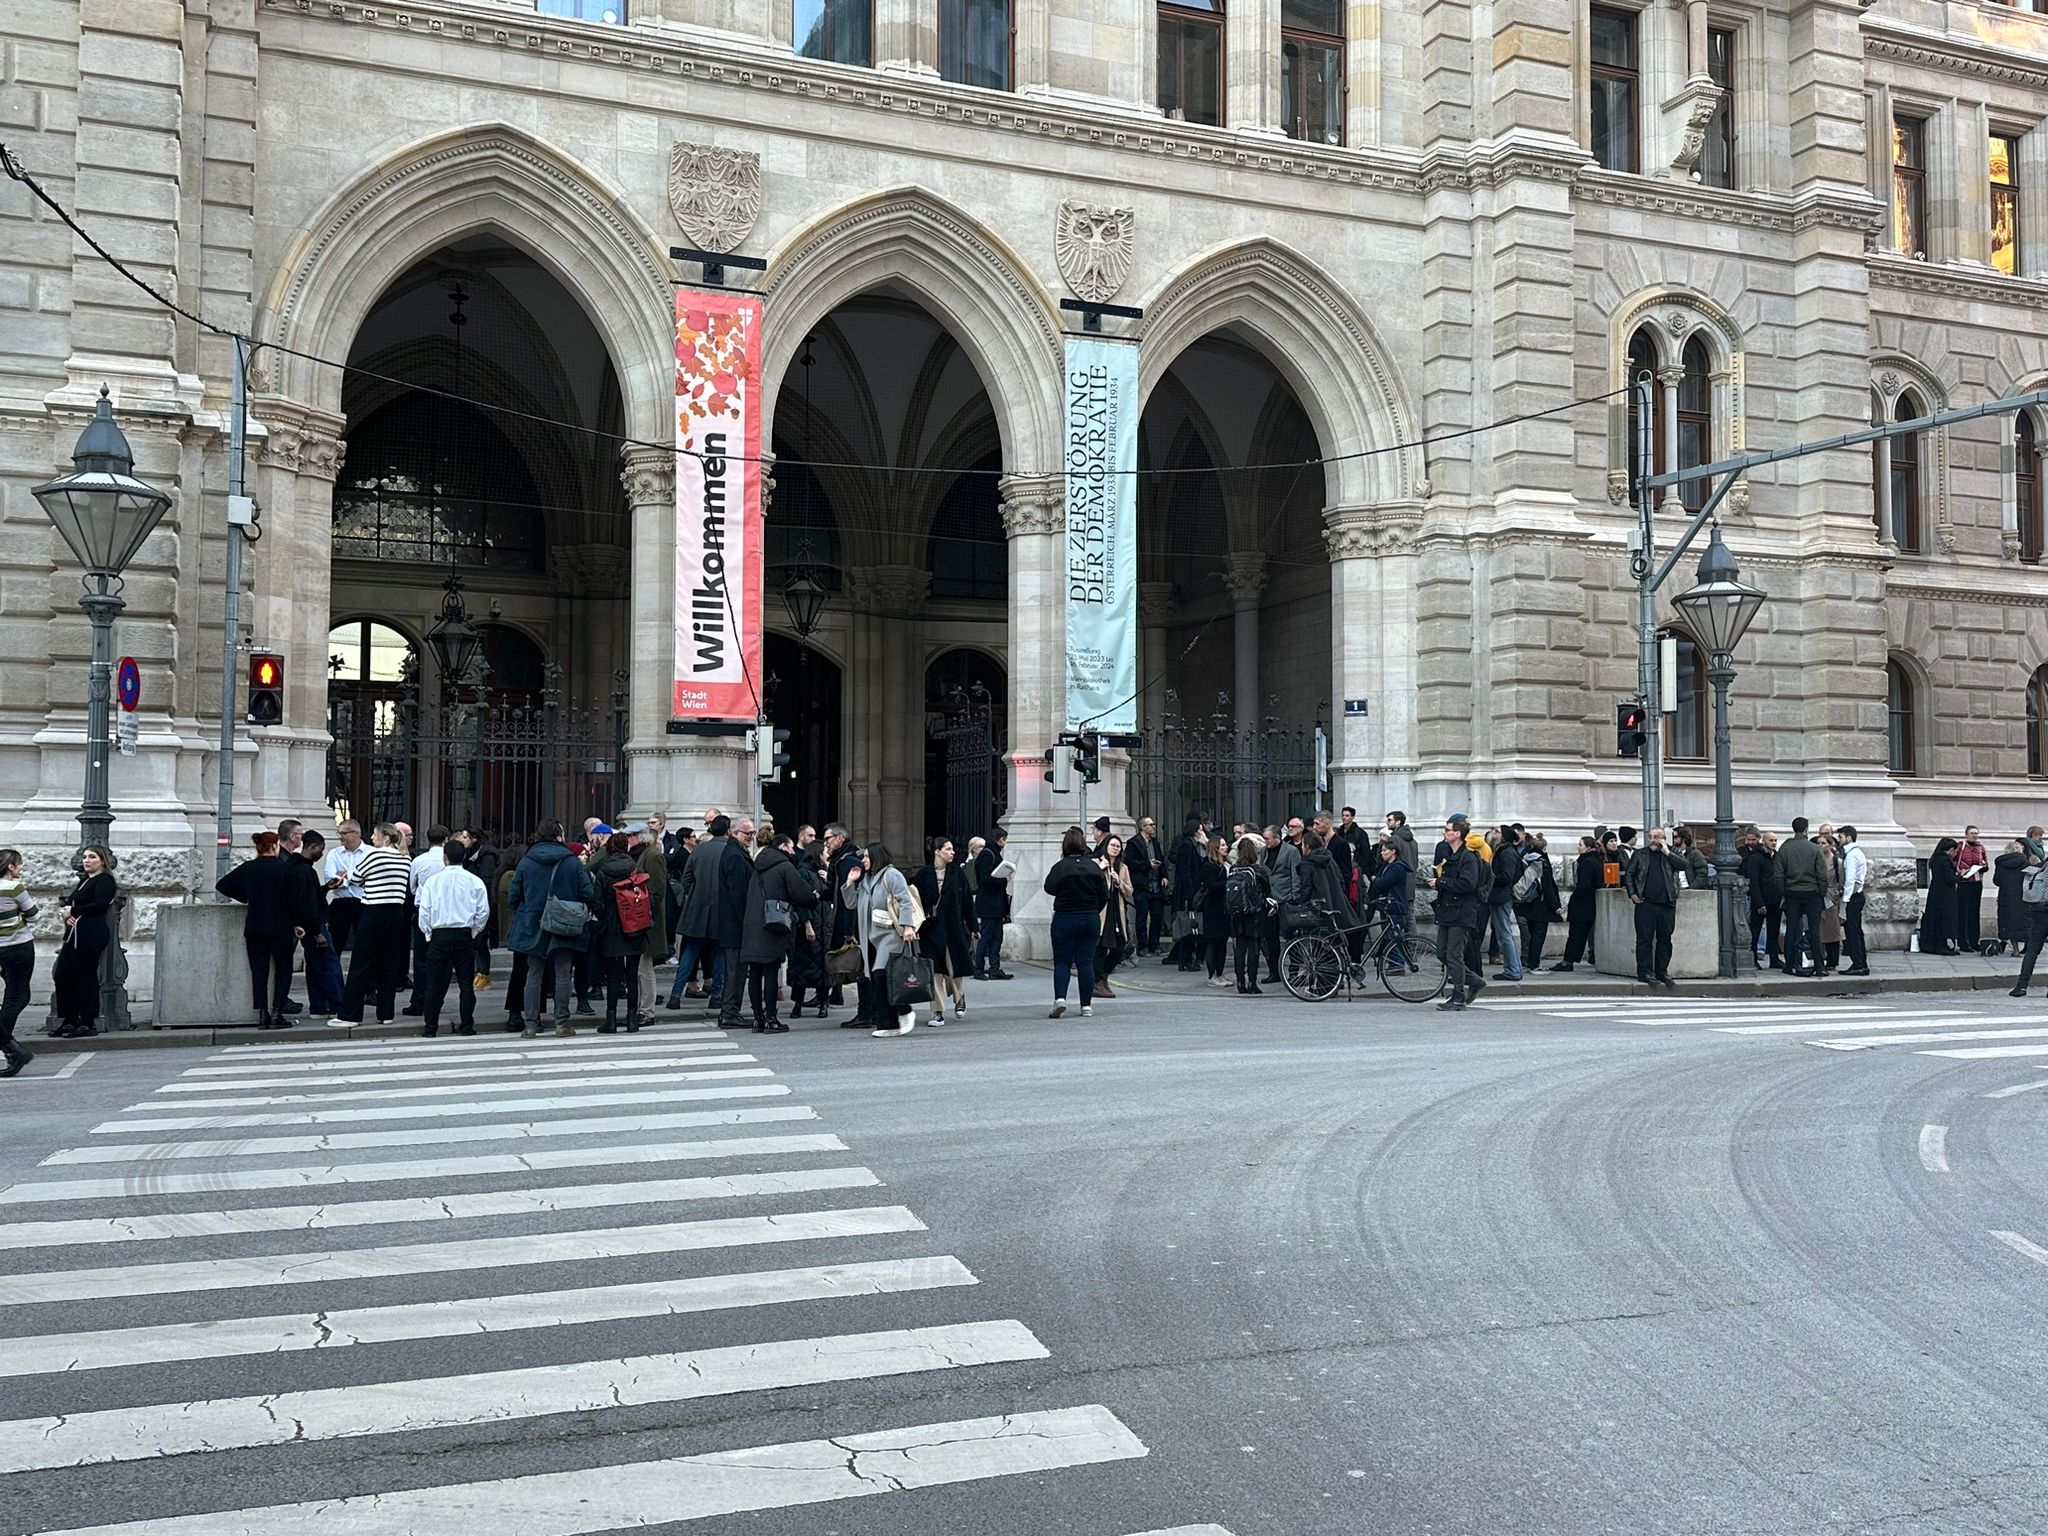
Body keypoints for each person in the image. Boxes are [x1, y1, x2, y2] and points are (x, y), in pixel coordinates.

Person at [503, 821, 596, 1039]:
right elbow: (587, 892)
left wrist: (527, 911)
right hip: (563, 922)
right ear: (558, 836)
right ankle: (561, 1022)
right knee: (563, 972)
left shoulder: (527, 861)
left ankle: (531, 1024)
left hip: (532, 922)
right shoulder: (571, 862)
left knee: (533, 973)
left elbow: (513, 896)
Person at [216, 830, 317, 1030]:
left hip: (254, 927)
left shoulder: (248, 868)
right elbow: (294, 900)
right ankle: (278, 1012)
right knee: (283, 970)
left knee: (259, 971)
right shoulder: (285, 869)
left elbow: (222, 885)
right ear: (274, 846)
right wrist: (298, 923)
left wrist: (246, 896)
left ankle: (263, 1013)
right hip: (280, 927)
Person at [738, 830, 822, 1034]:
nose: (793, 851)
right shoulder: (784, 866)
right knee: (770, 972)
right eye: (791, 847)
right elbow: (800, 892)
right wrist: (815, 895)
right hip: (773, 924)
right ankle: (771, 1018)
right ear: (783, 847)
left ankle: (758, 1018)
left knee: (756, 973)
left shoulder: (757, 865)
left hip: (752, 924)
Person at [335, 823, 413, 1028]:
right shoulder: (406, 859)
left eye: (375, 835)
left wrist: (345, 876)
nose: (371, 838)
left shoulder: (374, 856)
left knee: (361, 963)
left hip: (374, 911)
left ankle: (350, 1015)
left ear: (385, 838)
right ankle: (386, 1012)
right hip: (396, 912)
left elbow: (357, 878)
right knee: (389, 963)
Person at [843, 843, 922, 1037]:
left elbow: (904, 900)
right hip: (870, 936)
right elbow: (851, 903)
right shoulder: (866, 879)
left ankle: (904, 1011)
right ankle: (888, 1024)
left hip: (890, 934)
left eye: (867, 857)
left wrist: (908, 926)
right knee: (878, 978)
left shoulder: (891, 875)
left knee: (880, 974)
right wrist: (849, 883)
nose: (863, 861)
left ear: (877, 857)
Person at [416, 837, 491, 1038]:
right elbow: (483, 911)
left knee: (434, 983)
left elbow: (425, 912)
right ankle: (466, 1025)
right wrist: (474, 931)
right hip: (464, 934)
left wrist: (429, 933)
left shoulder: (432, 881)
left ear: (445, 858)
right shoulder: (474, 881)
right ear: (464, 856)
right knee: (466, 984)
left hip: (439, 934)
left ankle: (430, 1027)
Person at [49, 847, 117, 1039]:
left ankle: (88, 1022)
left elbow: (100, 904)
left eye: (92, 857)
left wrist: (74, 912)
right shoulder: (85, 881)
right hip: (75, 935)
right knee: (63, 974)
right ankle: (69, 1020)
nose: (86, 860)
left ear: (102, 861)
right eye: (85, 857)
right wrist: (65, 913)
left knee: (84, 977)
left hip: (90, 934)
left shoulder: (105, 880)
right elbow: (70, 904)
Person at [668, 815, 735, 1010]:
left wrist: (696, 895)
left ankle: (675, 994)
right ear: (728, 830)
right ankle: (716, 995)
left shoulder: (699, 850)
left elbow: (686, 880)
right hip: (722, 909)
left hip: (698, 907)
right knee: (720, 953)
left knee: (690, 951)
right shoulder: (731, 850)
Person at [587, 831, 650, 1034]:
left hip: (612, 928)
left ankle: (611, 1019)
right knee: (632, 975)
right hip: (634, 927)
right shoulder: (635, 868)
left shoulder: (603, 871)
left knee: (614, 976)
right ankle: (632, 1019)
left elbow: (596, 901)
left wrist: (606, 916)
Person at [1042, 826, 1109, 1018]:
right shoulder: (1093, 867)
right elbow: (1104, 895)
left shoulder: (1060, 867)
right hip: (1089, 917)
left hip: (1065, 917)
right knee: (1085, 963)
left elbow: (1049, 888)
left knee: (1062, 962)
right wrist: (1093, 909)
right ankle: (1086, 1005)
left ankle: (1060, 999)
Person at [911, 836, 976, 1021]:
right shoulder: (923, 875)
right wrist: (913, 926)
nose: (953, 852)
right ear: (937, 852)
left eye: (952, 849)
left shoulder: (957, 873)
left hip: (953, 927)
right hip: (930, 929)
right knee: (935, 971)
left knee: (953, 967)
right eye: (948, 849)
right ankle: (938, 1012)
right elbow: (915, 904)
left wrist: (973, 926)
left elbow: (967, 903)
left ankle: (959, 996)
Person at [1624, 826, 1686, 988]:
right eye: (1650, 837)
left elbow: (1683, 865)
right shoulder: (1640, 854)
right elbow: (1629, 874)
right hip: (1646, 903)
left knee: (1665, 940)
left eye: (1657, 837)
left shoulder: (1672, 852)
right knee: (1644, 940)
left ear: (1664, 838)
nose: (1653, 840)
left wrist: (1667, 853)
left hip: (1667, 903)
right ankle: (1645, 972)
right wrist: (1633, 894)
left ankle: (1662, 972)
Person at [1429, 823, 1482, 1011]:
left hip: (1461, 912)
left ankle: (1458, 996)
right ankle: (1474, 981)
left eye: (1447, 830)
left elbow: (1468, 884)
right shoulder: (1450, 857)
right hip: (1447, 911)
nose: (1445, 833)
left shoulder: (1467, 858)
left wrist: (1441, 882)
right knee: (1442, 953)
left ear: (1457, 834)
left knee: (1453, 955)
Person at [292, 831, 345, 1019]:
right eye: (320, 850)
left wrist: (326, 888)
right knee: (329, 965)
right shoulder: (305, 870)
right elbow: (308, 904)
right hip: (314, 925)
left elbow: (308, 899)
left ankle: (318, 1006)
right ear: (313, 847)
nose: (321, 854)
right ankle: (337, 1004)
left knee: (315, 966)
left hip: (307, 925)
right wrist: (317, 932)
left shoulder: (296, 867)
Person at [401, 824, 451, 1017]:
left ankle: (419, 1000)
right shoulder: (447, 859)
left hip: (423, 910)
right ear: (446, 839)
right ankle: (437, 998)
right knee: (443, 960)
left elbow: (412, 887)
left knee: (421, 959)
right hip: (445, 912)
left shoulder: (419, 860)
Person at [713, 818, 758, 1028]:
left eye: (753, 834)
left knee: (737, 970)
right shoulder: (735, 856)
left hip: (733, 922)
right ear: (735, 833)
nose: (751, 838)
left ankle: (731, 1011)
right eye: (747, 834)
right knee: (735, 971)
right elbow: (738, 893)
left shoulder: (734, 853)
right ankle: (730, 1012)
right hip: (735, 924)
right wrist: (746, 924)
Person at [625, 823, 669, 1029]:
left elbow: (657, 889)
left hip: (648, 919)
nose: (628, 840)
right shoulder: (640, 855)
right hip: (639, 918)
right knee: (640, 968)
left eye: (631, 836)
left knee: (645, 967)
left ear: (640, 837)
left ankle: (647, 1010)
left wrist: (642, 908)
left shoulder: (652, 856)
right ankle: (643, 1009)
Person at [0, 849, 39, 1076]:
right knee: (16, 997)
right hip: (18, 947)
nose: (21, 868)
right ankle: (12, 1049)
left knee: (21, 996)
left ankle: (10, 1047)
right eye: (19, 865)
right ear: (11, 867)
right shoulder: (15, 887)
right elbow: (33, 914)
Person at [1776, 817, 1826, 976]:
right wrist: (1821, 892)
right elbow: (1822, 874)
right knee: (1815, 931)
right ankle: (1819, 967)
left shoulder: (1785, 848)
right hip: (1812, 894)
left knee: (1791, 930)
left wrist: (1783, 891)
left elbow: (1778, 874)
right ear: (1806, 829)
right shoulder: (1814, 849)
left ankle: (1789, 965)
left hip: (1792, 893)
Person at [1226, 834, 1270, 994]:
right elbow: (1267, 891)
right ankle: (1252, 981)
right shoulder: (1258, 870)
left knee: (1240, 948)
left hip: (1237, 914)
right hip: (1255, 913)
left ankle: (1239, 981)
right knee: (1254, 949)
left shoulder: (1233, 869)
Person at [1552, 836, 1602, 973]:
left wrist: (1574, 899)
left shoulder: (1586, 862)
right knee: (1581, 934)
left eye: (1581, 845)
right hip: (1590, 903)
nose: (1578, 847)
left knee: (1575, 934)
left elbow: (1583, 885)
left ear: (1588, 847)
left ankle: (1567, 961)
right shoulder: (1596, 860)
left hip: (1582, 904)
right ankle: (1570, 960)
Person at [1515, 833, 1563, 971]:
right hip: (1541, 904)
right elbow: (1547, 887)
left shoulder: (1525, 858)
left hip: (1527, 901)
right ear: (1544, 848)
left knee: (1531, 934)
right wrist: (1556, 907)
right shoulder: (1542, 862)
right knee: (1538, 935)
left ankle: (1529, 961)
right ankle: (1534, 964)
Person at [1261, 823, 1301, 985]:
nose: (1265, 842)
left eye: (1268, 839)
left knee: (1290, 935)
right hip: (1269, 899)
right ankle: (1274, 971)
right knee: (1270, 937)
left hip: (1285, 899)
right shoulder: (1264, 852)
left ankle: (1294, 971)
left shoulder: (1291, 851)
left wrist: (1294, 896)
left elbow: (1295, 874)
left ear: (1277, 838)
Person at [1095, 834, 1135, 998]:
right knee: (1100, 947)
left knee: (1119, 947)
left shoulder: (1123, 868)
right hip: (1102, 911)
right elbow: (1093, 885)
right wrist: (1101, 869)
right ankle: (1097, 982)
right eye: (1112, 845)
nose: (1115, 848)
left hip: (1117, 910)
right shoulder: (1096, 864)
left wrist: (1119, 882)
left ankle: (1104, 977)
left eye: (1118, 846)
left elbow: (1129, 891)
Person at [1165, 814, 1207, 971]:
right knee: (1188, 926)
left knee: (1190, 927)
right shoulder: (1186, 845)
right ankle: (1185, 960)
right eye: (1200, 828)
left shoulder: (1193, 844)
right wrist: (1190, 894)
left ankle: (1186, 959)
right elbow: (1184, 871)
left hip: (1191, 890)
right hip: (1187, 893)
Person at [322, 819, 369, 957]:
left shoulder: (371, 853)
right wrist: (356, 878)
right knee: (335, 943)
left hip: (363, 902)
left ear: (356, 833)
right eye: (339, 833)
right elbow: (329, 879)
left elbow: (370, 878)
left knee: (364, 943)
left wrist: (345, 876)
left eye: (343, 833)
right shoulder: (334, 853)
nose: (339, 836)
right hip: (340, 902)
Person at [971, 828, 1013, 980]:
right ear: (1000, 839)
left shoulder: (993, 854)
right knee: (987, 936)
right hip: (989, 902)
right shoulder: (987, 855)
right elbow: (984, 879)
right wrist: (1004, 879)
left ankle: (995, 968)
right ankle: (979, 967)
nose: (1005, 843)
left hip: (996, 902)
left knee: (997, 937)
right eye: (1004, 839)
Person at [1367, 838, 1413, 969]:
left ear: (1393, 852)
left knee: (1393, 935)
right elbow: (1378, 880)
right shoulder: (1386, 866)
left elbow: (1382, 882)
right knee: (1388, 934)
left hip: (1394, 904)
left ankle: (1398, 963)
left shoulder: (1397, 867)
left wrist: (1376, 880)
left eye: (1384, 850)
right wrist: (1377, 880)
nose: (1382, 853)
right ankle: (1393, 961)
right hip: (1386, 905)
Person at [1741, 829, 1783, 969]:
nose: (1774, 843)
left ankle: (1774, 959)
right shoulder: (1755, 858)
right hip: (1761, 900)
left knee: (1773, 931)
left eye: (1775, 840)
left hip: (1775, 900)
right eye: (1771, 840)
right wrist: (1759, 902)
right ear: (1763, 841)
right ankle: (1753, 959)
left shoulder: (1777, 857)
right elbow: (1754, 881)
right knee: (1755, 930)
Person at [1128, 816, 1165, 956]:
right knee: (1142, 917)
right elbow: (1131, 863)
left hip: (1156, 885)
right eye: (1151, 824)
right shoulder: (1133, 843)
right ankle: (1143, 946)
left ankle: (1154, 945)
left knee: (1157, 917)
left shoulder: (1155, 843)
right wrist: (1148, 865)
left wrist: (1164, 876)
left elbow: (1161, 859)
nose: (1154, 827)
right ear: (1143, 827)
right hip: (1142, 885)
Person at [1919, 837, 1961, 958]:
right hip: (1945, 894)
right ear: (1951, 850)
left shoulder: (1936, 859)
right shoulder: (1945, 861)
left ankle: (1937, 945)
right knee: (1945, 919)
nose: (1956, 853)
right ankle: (1942, 946)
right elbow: (1949, 879)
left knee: (1937, 919)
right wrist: (1960, 875)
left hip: (1936, 892)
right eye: (1955, 850)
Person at [1198, 833, 1231, 986]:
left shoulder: (1225, 864)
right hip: (1212, 907)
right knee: (1213, 941)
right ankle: (1212, 976)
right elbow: (1210, 885)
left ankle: (1220, 973)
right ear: (1215, 848)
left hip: (1224, 907)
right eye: (1223, 845)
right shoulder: (1208, 865)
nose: (1226, 847)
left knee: (1223, 941)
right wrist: (1227, 883)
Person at [1837, 824, 1870, 975]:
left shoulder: (1851, 855)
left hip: (1853, 897)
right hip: (1858, 895)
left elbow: (1850, 879)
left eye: (1841, 837)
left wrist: (1845, 899)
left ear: (1848, 837)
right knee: (1856, 930)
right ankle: (1861, 962)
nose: (1839, 840)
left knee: (1852, 931)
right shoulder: (1857, 853)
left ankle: (1858, 964)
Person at [1994, 837, 2031, 959]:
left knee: (2009, 923)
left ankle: (2015, 950)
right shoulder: (2024, 862)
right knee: (2023, 922)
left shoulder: (2001, 863)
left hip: (2005, 896)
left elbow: (1997, 881)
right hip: (2021, 896)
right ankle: (2028, 947)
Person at [1817, 828, 1845, 974]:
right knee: (1819, 929)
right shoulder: (1815, 859)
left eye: (1823, 843)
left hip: (1831, 896)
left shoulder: (1836, 861)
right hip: (1818, 897)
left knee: (1832, 930)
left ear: (1830, 845)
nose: (1820, 845)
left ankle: (1833, 960)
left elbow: (1841, 880)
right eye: (1818, 843)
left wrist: (1835, 894)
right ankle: (1820, 957)